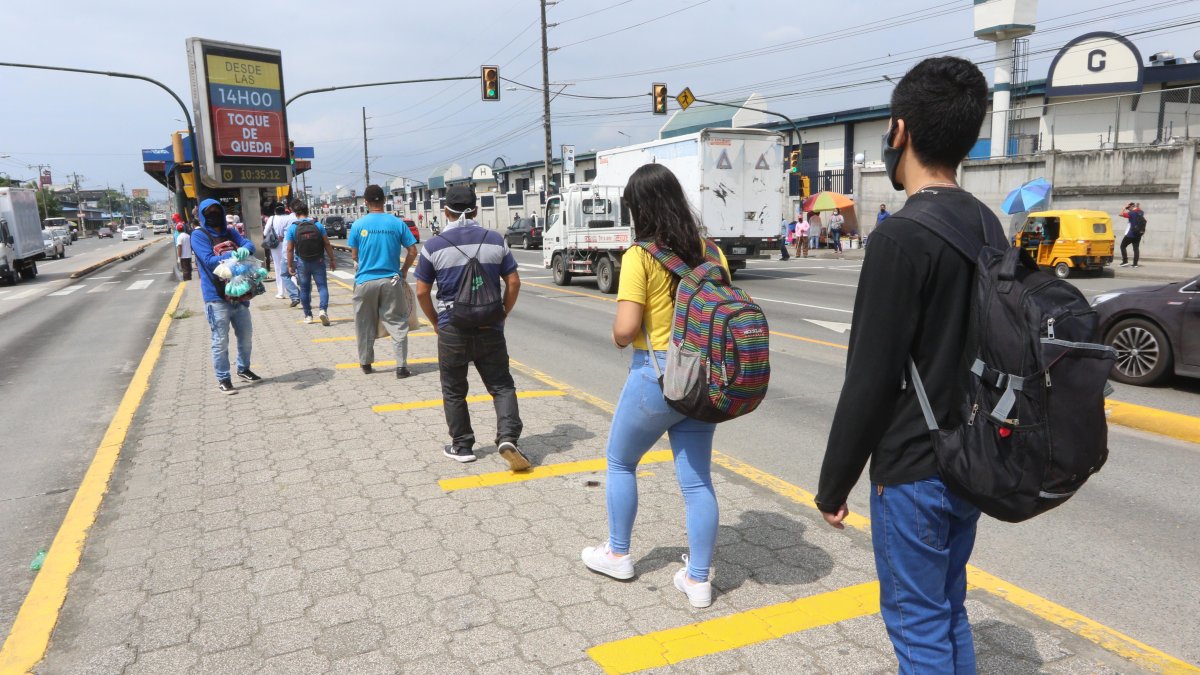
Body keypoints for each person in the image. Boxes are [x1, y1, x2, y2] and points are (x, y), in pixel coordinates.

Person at [816, 56, 991, 673]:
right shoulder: (986, 225)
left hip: (915, 469)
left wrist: (834, 484)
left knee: (918, 629)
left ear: (899, 132)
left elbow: (869, 377)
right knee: (948, 610)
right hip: (972, 457)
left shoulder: (900, 237)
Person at [579, 163, 728, 610]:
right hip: (704, 379)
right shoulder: (712, 252)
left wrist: (618, 332)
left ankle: (618, 553)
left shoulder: (640, 257)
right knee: (698, 482)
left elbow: (626, 330)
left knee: (620, 461)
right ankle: (698, 581)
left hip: (659, 375)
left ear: (639, 210)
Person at [414, 184, 529, 470]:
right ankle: (508, 438)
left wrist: (436, 322)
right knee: (501, 385)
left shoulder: (433, 246)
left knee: (454, 389)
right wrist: (502, 312)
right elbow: (513, 282)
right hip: (491, 325)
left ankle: (462, 445)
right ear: (477, 210)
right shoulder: (495, 240)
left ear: (445, 212)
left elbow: (420, 292)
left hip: (452, 326)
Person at [191, 199, 261, 394]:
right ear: (203, 216)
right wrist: (233, 256)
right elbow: (208, 260)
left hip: (240, 294)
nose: (213, 215)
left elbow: (247, 243)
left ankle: (243, 368)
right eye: (209, 212)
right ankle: (223, 378)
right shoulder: (198, 235)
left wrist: (246, 247)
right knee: (220, 341)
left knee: (245, 337)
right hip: (216, 298)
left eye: (216, 211)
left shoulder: (229, 231)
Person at [349, 185, 419, 378]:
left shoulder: (358, 225)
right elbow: (413, 251)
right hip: (391, 280)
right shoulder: (397, 223)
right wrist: (404, 271)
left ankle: (366, 363)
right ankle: (401, 367)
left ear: (365, 202)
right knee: (397, 322)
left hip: (364, 282)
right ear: (385, 200)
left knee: (364, 323)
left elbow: (354, 255)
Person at [286, 201, 337, 326]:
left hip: (302, 262)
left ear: (295, 213)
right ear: (307, 211)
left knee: (304, 288)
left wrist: (290, 265)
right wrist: (332, 259)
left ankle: (308, 315)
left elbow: (289, 249)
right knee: (322, 287)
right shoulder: (318, 225)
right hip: (318, 260)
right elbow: (327, 243)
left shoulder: (293, 227)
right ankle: (323, 310)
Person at [265, 203, 299, 305]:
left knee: (278, 267)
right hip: (289, 245)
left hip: (276, 246)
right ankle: (294, 288)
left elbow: (265, 232)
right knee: (290, 266)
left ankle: (281, 292)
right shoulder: (289, 218)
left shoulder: (272, 218)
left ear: (275, 211)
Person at [1119, 201, 1145, 268]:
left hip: (1131, 234)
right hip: (1139, 233)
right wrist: (1137, 207)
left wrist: (1124, 208)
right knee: (1136, 248)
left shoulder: (1131, 213)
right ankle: (1135, 264)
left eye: (1128, 208)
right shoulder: (1141, 212)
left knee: (1122, 246)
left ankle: (1125, 262)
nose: (1128, 209)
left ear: (1131, 207)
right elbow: (1139, 211)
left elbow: (1120, 214)